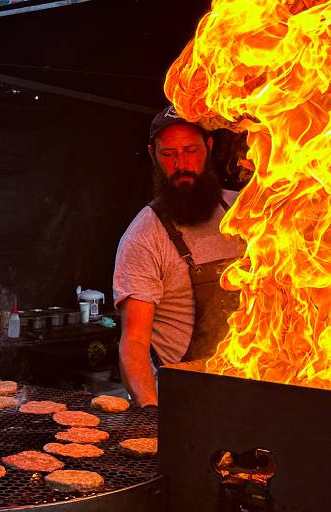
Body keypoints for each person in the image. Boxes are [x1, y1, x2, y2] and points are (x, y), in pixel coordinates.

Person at [113, 105, 244, 406]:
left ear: (208, 148)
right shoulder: (144, 237)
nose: (181, 164)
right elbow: (133, 342)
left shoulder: (245, 213)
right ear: (152, 155)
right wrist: (150, 410)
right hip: (188, 401)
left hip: (253, 384)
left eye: (189, 150)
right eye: (168, 154)